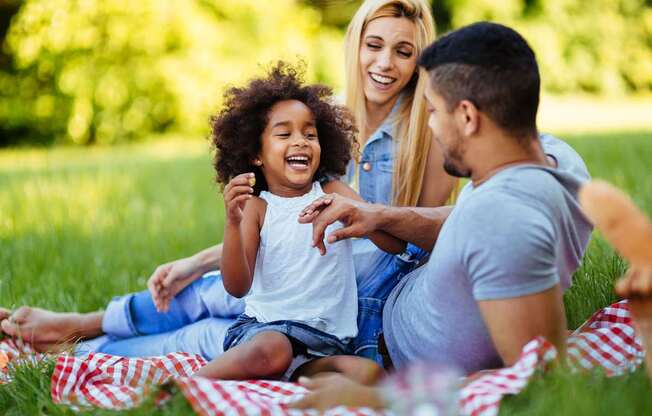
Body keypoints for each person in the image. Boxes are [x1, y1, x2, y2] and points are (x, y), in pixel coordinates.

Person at [0, 0, 457, 361]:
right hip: (286, 266)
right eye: (373, 44)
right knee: (207, 290)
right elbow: (273, 224)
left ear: (420, 61)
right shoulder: (320, 122)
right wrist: (196, 262)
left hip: (346, 295)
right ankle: (84, 324)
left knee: (205, 331)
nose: (385, 63)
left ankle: (85, 348)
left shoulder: (427, 135)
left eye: (404, 51)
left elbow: (419, 241)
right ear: (354, 45)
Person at [290, 21, 593, 410]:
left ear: (467, 116)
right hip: (395, 285)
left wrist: (376, 397)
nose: (430, 126)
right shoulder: (557, 160)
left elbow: (537, 379)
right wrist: (380, 215)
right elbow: (466, 225)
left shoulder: (507, 223)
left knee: (227, 335)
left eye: (433, 111)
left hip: (375, 344)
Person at [188, 62, 393, 383]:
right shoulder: (257, 208)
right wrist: (232, 221)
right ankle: (182, 388)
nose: (300, 141)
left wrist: (363, 217)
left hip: (327, 343)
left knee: (369, 373)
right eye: (284, 134)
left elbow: (392, 243)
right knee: (274, 350)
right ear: (256, 154)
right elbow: (236, 286)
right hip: (265, 332)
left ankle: (293, 379)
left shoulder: (334, 192)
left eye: (310, 134)